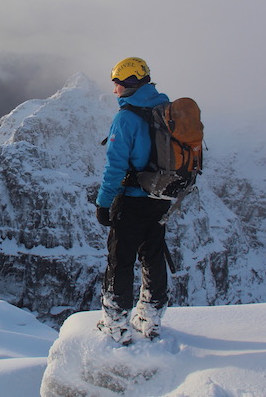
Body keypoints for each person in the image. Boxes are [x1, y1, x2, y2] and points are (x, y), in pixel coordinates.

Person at [95, 57, 172, 344]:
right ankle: (150, 319)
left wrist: (103, 203)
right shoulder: (164, 108)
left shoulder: (126, 118)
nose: (114, 90)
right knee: (153, 255)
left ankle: (115, 324)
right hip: (161, 197)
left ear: (127, 84)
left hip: (133, 199)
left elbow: (115, 167)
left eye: (116, 84)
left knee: (121, 260)